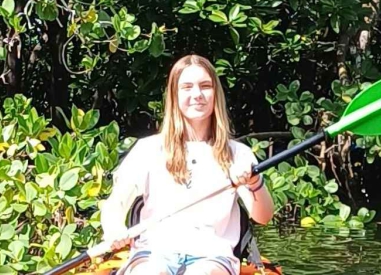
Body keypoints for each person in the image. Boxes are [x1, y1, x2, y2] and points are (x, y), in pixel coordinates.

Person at [93, 55, 274, 275]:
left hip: (212, 255)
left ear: (216, 94)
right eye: (187, 87)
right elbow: (116, 204)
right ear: (174, 96)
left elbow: (263, 216)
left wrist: (255, 181)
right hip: (154, 252)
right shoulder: (147, 149)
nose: (197, 95)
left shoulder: (238, 154)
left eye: (205, 86)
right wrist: (115, 230)